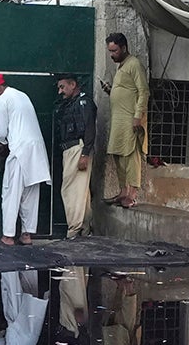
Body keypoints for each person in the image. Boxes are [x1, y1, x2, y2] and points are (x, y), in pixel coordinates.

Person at [0, 72, 51, 243]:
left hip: (20, 150)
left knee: (11, 192)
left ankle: (8, 236)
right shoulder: (22, 95)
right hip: (36, 150)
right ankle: (27, 234)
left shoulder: (2, 99)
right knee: (30, 194)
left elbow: (0, 131)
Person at [104, 33, 148, 207]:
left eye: (114, 50)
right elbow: (126, 91)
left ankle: (132, 194)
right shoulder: (121, 66)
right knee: (117, 154)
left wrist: (138, 116)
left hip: (131, 119)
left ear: (123, 48)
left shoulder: (134, 64)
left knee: (131, 156)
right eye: (110, 51)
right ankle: (122, 192)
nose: (112, 54)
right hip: (118, 120)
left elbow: (143, 91)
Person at [51, 71, 96, 236]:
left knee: (71, 191)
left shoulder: (84, 102)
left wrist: (85, 153)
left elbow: (90, 128)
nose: (60, 91)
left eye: (62, 87)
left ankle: (74, 231)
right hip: (71, 150)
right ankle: (84, 229)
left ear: (73, 85)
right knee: (79, 191)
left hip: (78, 149)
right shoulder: (72, 103)